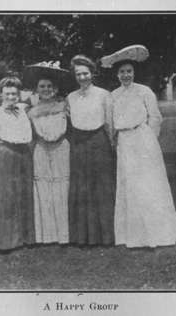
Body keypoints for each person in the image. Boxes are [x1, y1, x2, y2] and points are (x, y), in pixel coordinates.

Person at [101, 45, 176, 248]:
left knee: (149, 182)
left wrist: (150, 138)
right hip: (124, 141)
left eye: (129, 71)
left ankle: (158, 231)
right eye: (121, 72)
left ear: (134, 72)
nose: (125, 75)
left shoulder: (144, 91)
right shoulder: (112, 96)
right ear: (117, 74)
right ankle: (134, 234)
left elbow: (155, 116)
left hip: (143, 137)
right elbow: (110, 122)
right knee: (130, 183)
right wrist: (115, 141)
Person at [0, 77, 35, 251]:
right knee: (5, 197)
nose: (11, 97)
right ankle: (2, 241)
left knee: (24, 195)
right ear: (1, 95)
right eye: (7, 94)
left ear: (19, 94)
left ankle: (24, 238)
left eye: (14, 93)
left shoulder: (23, 111)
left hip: (24, 155)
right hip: (6, 156)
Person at [67, 55, 115, 246]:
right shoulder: (71, 97)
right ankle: (84, 236)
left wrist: (112, 144)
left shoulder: (104, 94)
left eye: (85, 73)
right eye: (78, 74)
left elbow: (110, 122)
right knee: (82, 187)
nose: (82, 77)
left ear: (92, 73)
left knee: (102, 186)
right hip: (79, 143)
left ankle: (106, 236)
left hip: (99, 141)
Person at [23, 61, 71, 244]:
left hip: (61, 149)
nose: (46, 89)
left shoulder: (64, 106)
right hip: (42, 150)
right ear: (36, 89)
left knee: (61, 189)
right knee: (43, 190)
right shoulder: (31, 111)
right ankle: (47, 235)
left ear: (56, 88)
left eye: (50, 86)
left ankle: (64, 234)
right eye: (42, 86)